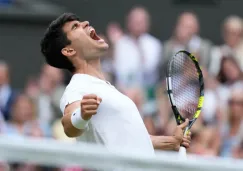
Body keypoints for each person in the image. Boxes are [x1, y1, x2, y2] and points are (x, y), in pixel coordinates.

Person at [40, 13, 191, 156]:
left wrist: (171, 141)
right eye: (75, 26)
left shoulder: (107, 89)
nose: (85, 23)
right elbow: (69, 126)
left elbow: (132, 142)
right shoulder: (77, 87)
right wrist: (82, 114)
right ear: (69, 50)